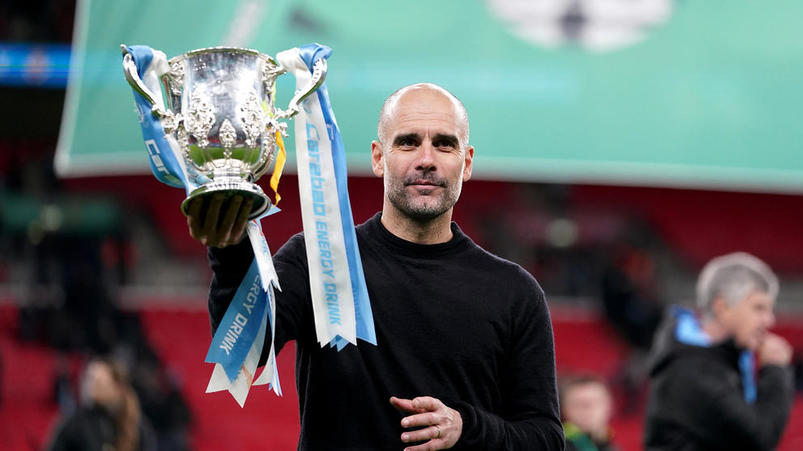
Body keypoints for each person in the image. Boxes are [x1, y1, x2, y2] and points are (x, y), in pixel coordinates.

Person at [187, 83, 564, 450]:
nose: (427, 159)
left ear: (465, 163)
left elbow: (545, 438)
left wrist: (467, 428)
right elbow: (245, 350)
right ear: (378, 157)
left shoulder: (514, 291)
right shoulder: (318, 259)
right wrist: (231, 251)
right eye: (408, 142)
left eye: (445, 144)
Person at [644, 252, 794, 450]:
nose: (769, 320)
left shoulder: (717, 359)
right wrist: (775, 369)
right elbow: (759, 440)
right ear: (722, 307)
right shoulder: (692, 371)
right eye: (759, 308)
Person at [46, 357, 156, 451]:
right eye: (89, 379)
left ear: (118, 388)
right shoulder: (75, 422)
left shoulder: (136, 424)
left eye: (99, 382)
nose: (91, 386)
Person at [560, 375, 619, 451]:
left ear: (609, 407)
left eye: (595, 401)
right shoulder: (555, 444)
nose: (588, 409)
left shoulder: (611, 445)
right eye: (578, 403)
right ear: (564, 409)